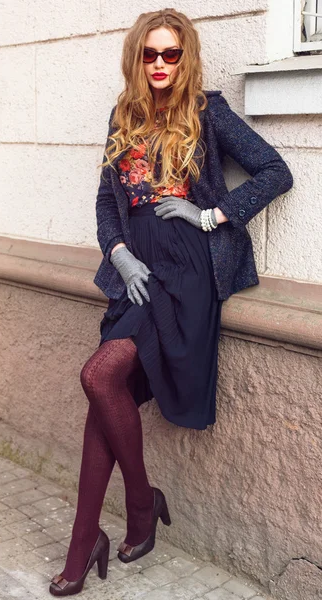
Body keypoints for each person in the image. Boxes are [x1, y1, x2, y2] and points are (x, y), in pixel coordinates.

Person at [49, 7, 293, 597]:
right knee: (104, 392)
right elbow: (108, 203)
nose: (160, 64)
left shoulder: (208, 112)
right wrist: (120, 255)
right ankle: (98, 533)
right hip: (138, 273)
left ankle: (126, 513)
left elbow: (275, 171)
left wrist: (210, 213)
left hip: (186, 277)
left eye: (172, 54)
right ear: (137, 56)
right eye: (150, 53)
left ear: (185, 58)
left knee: (98, 375)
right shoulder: (123, 115)